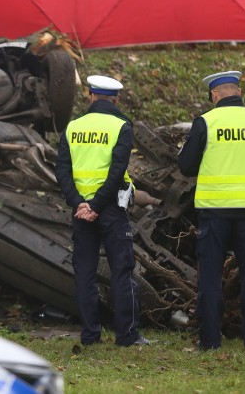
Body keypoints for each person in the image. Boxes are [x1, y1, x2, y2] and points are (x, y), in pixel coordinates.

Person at [178, 71, 245, 350]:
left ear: (214, 94)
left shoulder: (207, 122)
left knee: (210, 277)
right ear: (239, 92)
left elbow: (186, 166)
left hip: (215, 211)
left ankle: (209, 342)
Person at [55, 75, 149, 347]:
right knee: (121, 270)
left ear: (90, 96)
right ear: (116, 99)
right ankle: (127, 335)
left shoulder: (73, 127)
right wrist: (97, 205)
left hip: (81, 210)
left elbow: (62, 170)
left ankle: (89, 335)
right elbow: (117, 170)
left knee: (85, 272)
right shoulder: (121, 126)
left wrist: (79, 204)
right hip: (110, 209)